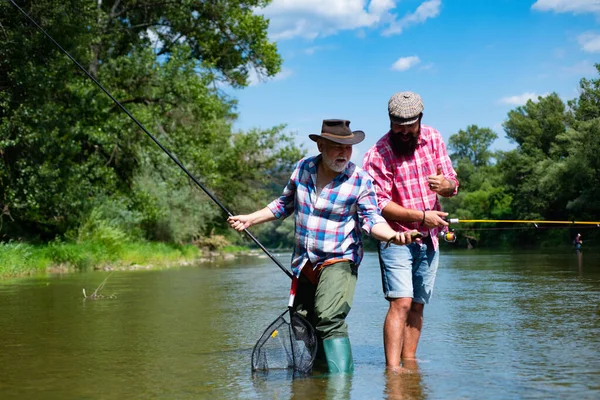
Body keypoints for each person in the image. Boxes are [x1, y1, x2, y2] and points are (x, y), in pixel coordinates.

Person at [228, 119, 418, 374]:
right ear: (320, 145)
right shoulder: (303, 168)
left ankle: (340, 387)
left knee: (329, 318)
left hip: (339, 260)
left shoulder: (360, 180)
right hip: (304, 263)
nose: (344, 153)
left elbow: (372, 219)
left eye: (348, 147)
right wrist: (250, 218)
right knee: (303, 324)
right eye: (337, 146)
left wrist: (393, 236)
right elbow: (284, 204)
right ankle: (319, 382)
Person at [362, 92, 459, 371]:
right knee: (401, 302)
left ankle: (410, 363)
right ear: (390, 120)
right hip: (396, 237)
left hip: (429, 239)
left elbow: (453, 182)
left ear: (420, 120)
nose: (403, 131)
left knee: (417, 305)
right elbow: (378, 204)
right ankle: (393, 371)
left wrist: (447, 186)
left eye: (409, 125)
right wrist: (421, 216)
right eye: (397, 125)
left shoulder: (434, 138)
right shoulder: (377, 154)